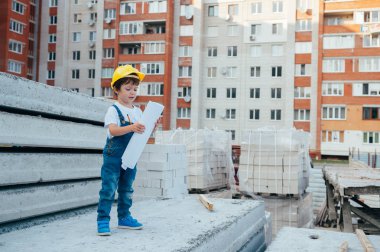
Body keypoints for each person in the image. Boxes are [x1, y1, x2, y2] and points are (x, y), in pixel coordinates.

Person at [97, 64, 148, 236]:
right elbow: (113, 131)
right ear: (117, 89)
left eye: (135, 88)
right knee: (109, 188)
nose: (132, 92)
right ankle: (103, 219)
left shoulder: (138, 111)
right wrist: (132, 127)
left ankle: (124, 217)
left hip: (131, 156)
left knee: (127, 188)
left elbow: (140, 134)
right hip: (114, 156)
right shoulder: (114, 110)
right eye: (128, 88)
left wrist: (149, 127)